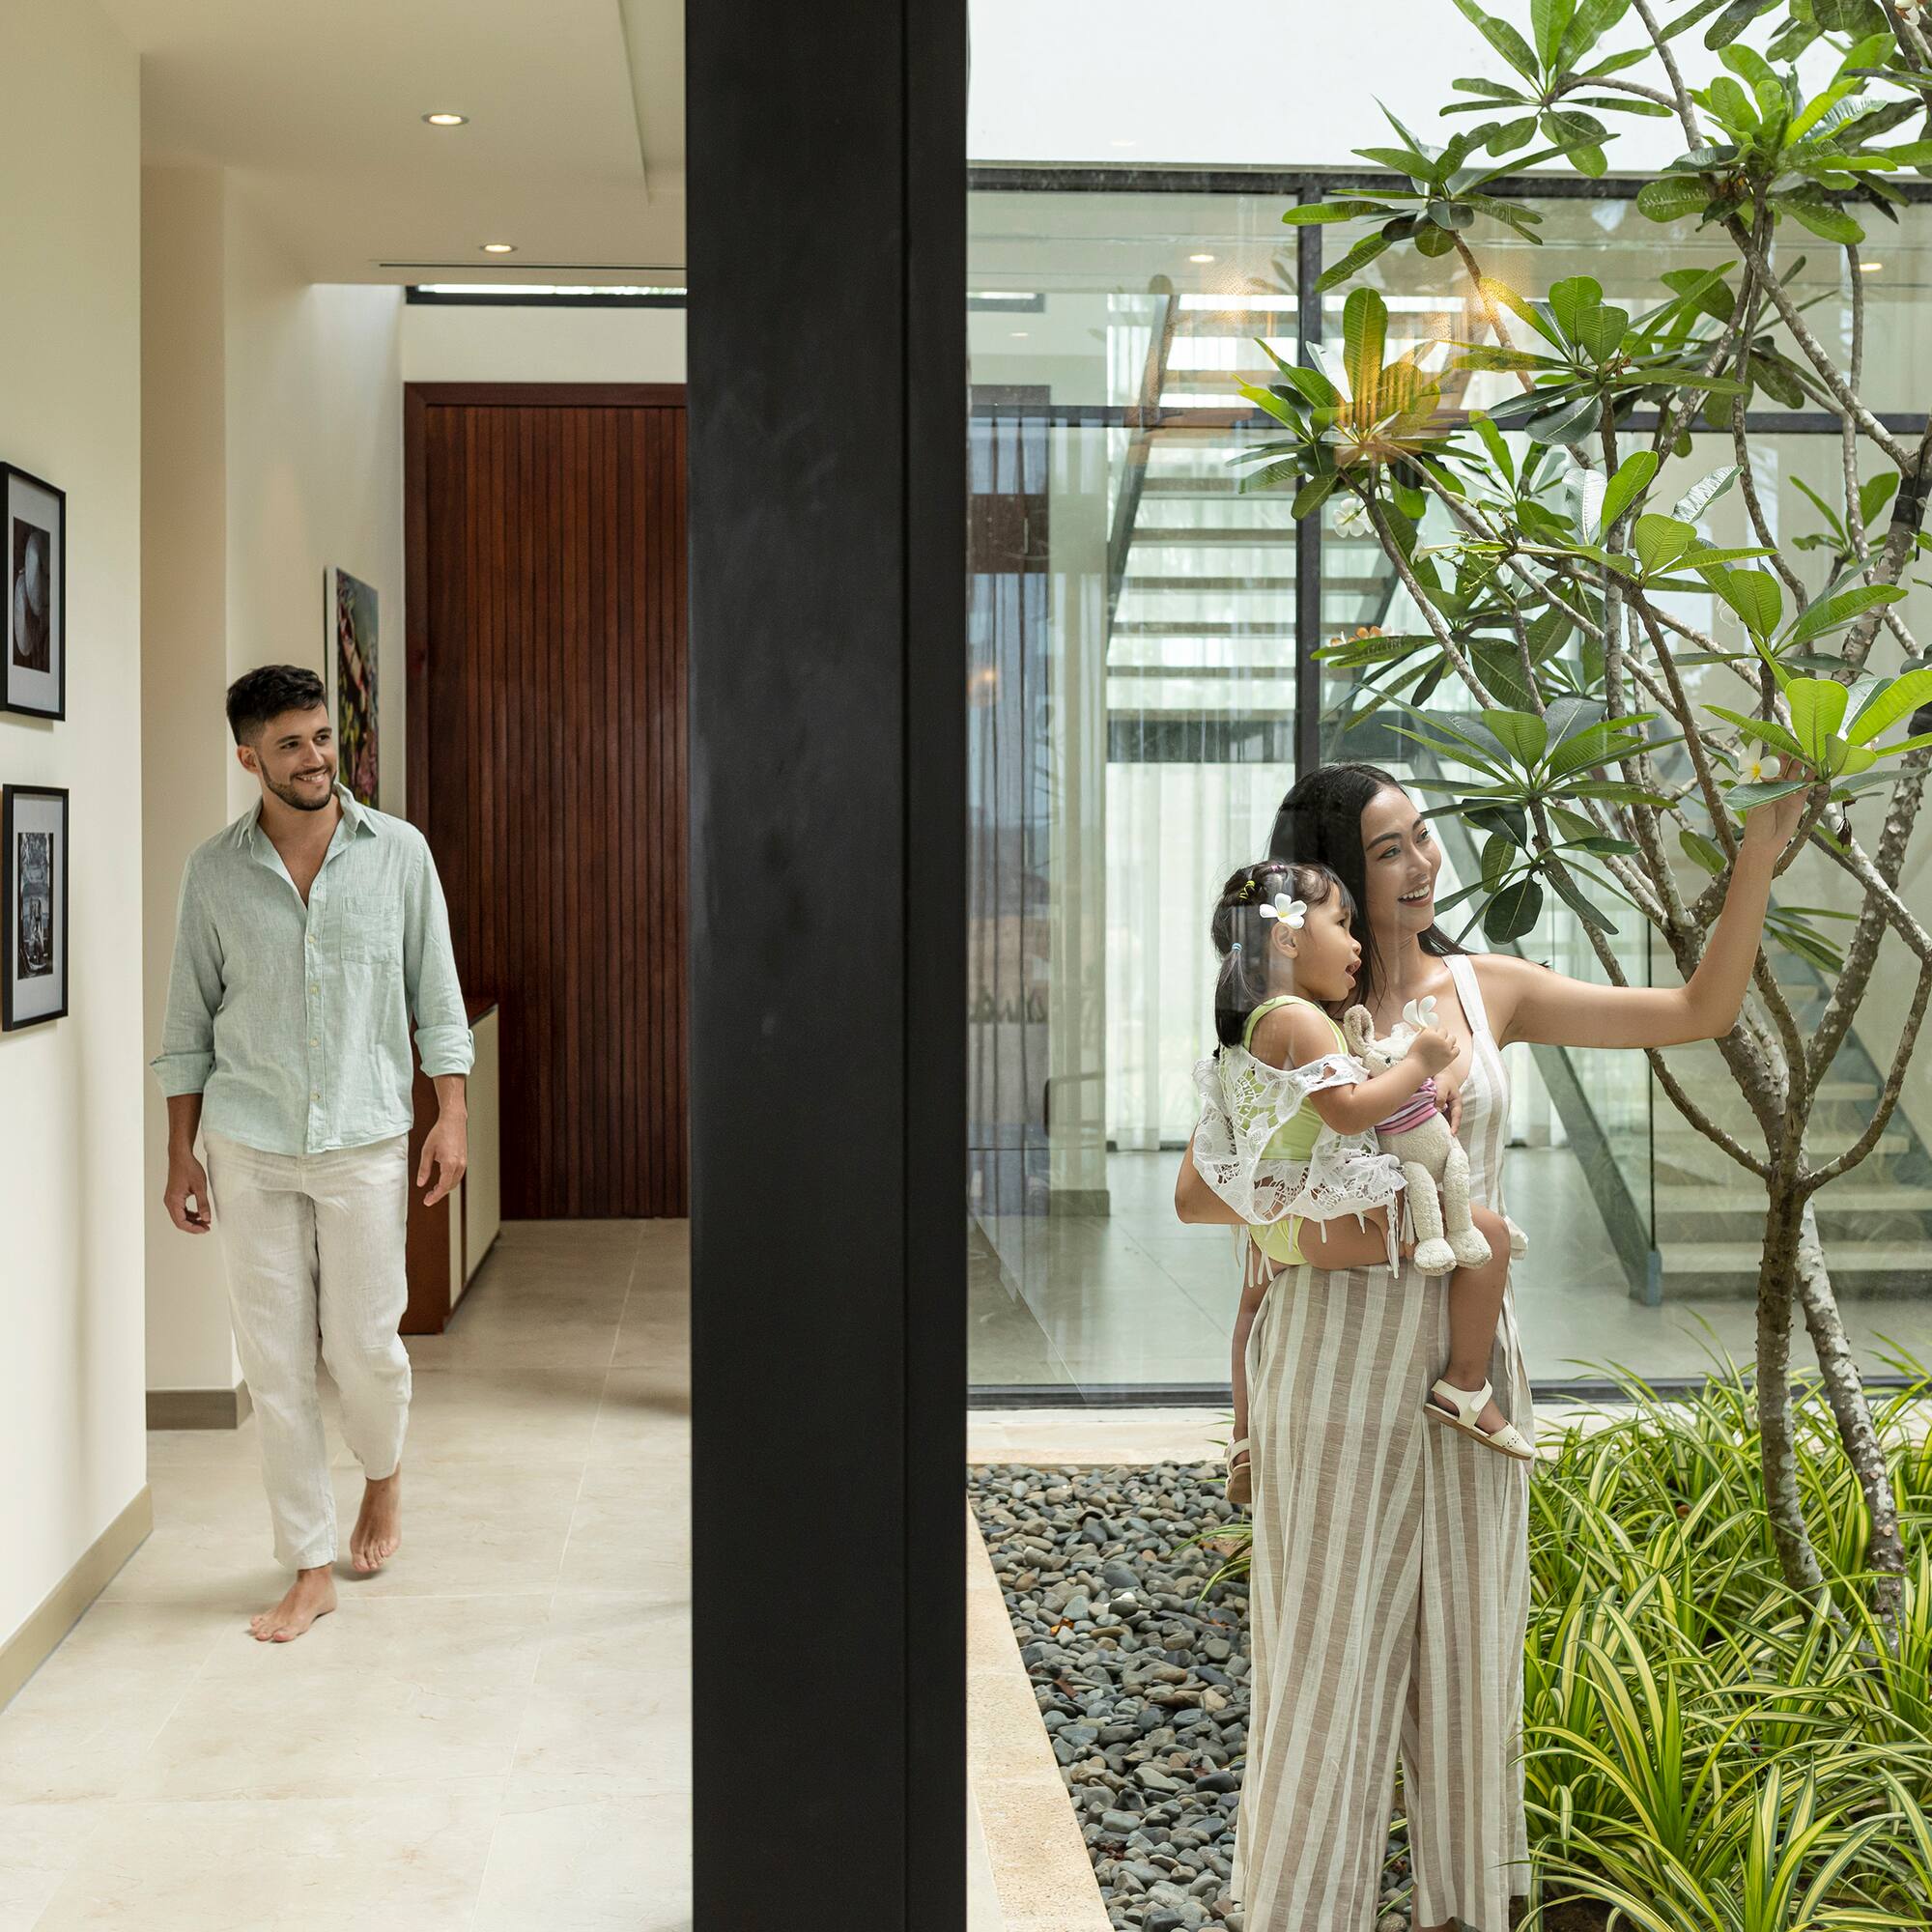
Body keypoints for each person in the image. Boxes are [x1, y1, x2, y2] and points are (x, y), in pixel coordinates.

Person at [1175, 757, 1807, 1932]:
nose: (1421, 863)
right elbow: (1200, 1190)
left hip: (1471, 1372)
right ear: (1319, 881)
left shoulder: (1484, 988)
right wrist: (1339, 1240)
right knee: (1325, 1664)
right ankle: (1302, 1912)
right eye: (1386, 849)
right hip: (1330, 1364)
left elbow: (1694, 1012)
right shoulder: (1289, 1022)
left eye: (1420, 836)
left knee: (1470, 1661)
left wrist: (1757, 856)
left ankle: (1462, 1914)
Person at [153, 664, 472, 1644]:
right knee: (275, 1364)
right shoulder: (213, 872)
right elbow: (186, 1022)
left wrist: (449, 1114)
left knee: (365, 1348)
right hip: (248, 1143)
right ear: (248, 756)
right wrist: (181, 1151)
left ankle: (383, 1473)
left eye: (323, 736)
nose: (316, 757)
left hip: (365, 1138)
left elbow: (437, 997)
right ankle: (307, 1561)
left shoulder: (398, 853)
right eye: (290, 743)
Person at [1195, 857, 1529, 1511]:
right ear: (1288, 939)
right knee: (1485, 1233)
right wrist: (1424, 1066)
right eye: (1342, 924)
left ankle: (1243, 1438)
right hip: (1325, 1214)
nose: (1356, 944)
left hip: (1279, 1223)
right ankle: (1466, 1385)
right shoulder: (1302, 1019)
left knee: (1246, 1315)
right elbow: (1348, 1110)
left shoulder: (1253, 1024)